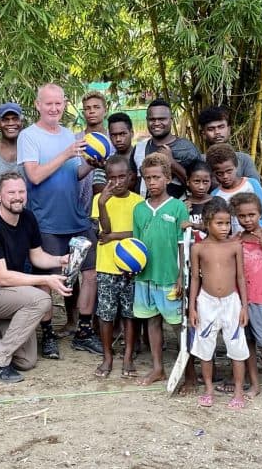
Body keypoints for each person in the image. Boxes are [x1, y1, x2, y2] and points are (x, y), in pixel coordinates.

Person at [18, 83, 102, 358]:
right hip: (46, 221)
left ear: (65, 104)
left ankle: (84, 332)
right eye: (49, 103)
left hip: (77, 218)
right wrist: (66, 153)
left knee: (90, 274)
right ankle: (48, 335)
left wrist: (92, 164)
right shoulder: (28, 136)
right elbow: (35, 176)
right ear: (38, 104)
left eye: (59, 103)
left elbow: (72, 175)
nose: (54, 108)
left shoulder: (68, 134)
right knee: (48, 279)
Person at [0, 172, 73, 382]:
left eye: (21, 191)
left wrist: (61, 260)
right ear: (0, 195)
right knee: (41, 299)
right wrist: (45, 280)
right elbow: (3, 277)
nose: (17, 196)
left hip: (12, 294)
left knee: (26, 360)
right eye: (11, 192)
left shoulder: (28, 217)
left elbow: (37, 256)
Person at [133, 152, 189, 386]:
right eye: (147, 178)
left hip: (169, 277)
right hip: (145, 277)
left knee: (177, 325)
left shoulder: (177, 208)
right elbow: (135, 246)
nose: (152, 182)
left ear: (167, 178)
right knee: (152, 322)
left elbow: (183, 246)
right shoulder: (139, 209)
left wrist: (181, 276)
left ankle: (187, 367)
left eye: (156, 177)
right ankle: (158, 368)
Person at [188, 197, 249, 410]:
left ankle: (239, 391)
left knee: (237, 347)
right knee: (205, 347)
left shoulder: (235, 246)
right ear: (207, 222)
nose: (225, 228)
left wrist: (244, 306)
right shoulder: (198, 248)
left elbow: (241, 277)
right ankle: (208, 389)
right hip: (206, 301)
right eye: (219, 223)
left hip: (232, 301)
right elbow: (195, 278)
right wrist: (192, 307)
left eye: (227, 223)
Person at [229, 192, 262, 406]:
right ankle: (254, 385)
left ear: (260, 213)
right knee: (248, 342)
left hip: (261, 298)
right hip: (240, 298)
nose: (248, 219)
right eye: (242, 216)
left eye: (252, 214)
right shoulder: (237, 239)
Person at [91, 155, 143, 378]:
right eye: (112, 178)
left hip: (132, 267)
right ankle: (108, 356)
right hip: (106, 265)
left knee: (129, 314)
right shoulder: (99, 199)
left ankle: (128, 356)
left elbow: (137, 233)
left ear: (131, 177)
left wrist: (114, 237)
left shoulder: (139, 202)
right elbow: (104, 230)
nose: (117, 182)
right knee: (106, 313)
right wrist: (103, 203)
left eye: (122, 177)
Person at [132, 99, 201, 198]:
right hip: (146, 209)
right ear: (147, 120)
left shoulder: (186, 149)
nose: (156, 123)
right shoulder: (139, 148)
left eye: (162, 119)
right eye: (152, 119)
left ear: (171, 120)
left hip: (176, 210)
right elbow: (134, 180)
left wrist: (172, 163)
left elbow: (199, 183)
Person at [207, 143, 262, 234]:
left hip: (260, 239)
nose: (225, 176)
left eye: (229, 171)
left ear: (236, 166)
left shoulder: (252, 184)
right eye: (219, 173)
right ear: (213, 173)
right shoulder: (215, 195)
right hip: (234, 243)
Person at [196, 106, 261, 183]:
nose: (217, 132)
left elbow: (254, 189)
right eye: (211, 129)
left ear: (229, 130)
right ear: (203, 134)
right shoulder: (199, 161)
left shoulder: (244, 160)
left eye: (221, 127)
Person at [77, 90, 109, 205]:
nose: (92, 111)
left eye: (96, 107)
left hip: (108, 205)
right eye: (87, 108)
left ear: (105, 110)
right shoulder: (75, 140)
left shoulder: (114, 139)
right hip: (80, 205)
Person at [107, 111, 139, 189]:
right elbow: (98, 187)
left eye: (122, 134)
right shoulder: (106, 160)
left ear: (131, 133)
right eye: (114, 135)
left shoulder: (142, 157)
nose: (118, 139)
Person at [184, 160, 213, 231]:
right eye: (196, 181)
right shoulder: (182, 205)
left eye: (205, 181)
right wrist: (183, 213)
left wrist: (194, 225)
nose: (201, 187)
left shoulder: (217, 203)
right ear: (188, 181)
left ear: (211, 181)